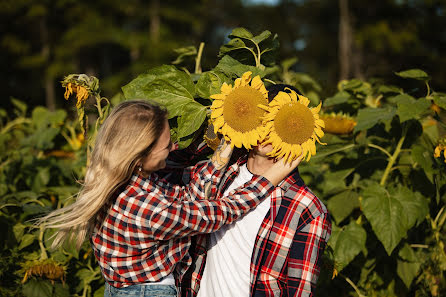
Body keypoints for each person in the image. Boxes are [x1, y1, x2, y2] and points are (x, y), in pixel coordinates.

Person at [38, 100, 300, 297]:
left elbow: (182, 195)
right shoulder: (148, 208)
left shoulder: (118, 177)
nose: (174, 147)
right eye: (167, 145)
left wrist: (219, 153)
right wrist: (267, 180)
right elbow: (218, 213)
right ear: (139, 156)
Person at [181, 85, 332, 297]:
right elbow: (169, 162)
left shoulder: (307, 207)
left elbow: (300, 291)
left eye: (279, 122)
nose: (268, 130)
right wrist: (228, 122)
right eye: (262, 118)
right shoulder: (218, 176)